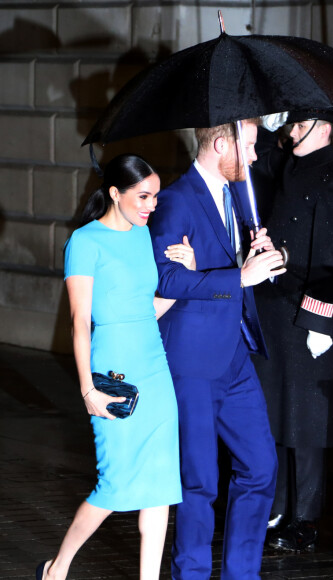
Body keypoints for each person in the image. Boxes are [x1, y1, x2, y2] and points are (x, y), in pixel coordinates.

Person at [37, 154, 194, 580]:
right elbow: (78, 323)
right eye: (143, 196)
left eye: (155, 197)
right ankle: (57, 569)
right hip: (114, 374)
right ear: (114, 193)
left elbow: (147, 311)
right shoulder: (85, 243)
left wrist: (187, 275)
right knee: (116, 483)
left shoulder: (143, 236)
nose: (152, 205)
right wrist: (87, 388)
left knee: (161, 486)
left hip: (155, 369)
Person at [149, 119, 286, 579]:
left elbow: (224, 271)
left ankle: (241, 573)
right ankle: (190, 574)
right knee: (199, 482)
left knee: (261, 467)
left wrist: (257, 261)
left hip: (235, 357)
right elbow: (165, 280)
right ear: (221, 143)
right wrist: (238, 277)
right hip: (191, 360)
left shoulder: (233, 196)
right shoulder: (174, 201)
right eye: (247, 147)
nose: (253, 157)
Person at [251, 106, 333, 551]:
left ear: (324, 128)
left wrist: (319, 321)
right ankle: (277, 507)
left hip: (306, 313)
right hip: (274, 305)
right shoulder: (291, 168)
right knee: (274, 414)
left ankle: (306, 518)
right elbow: (258, 152)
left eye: (298, 124)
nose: (291, 132)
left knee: (306, 422)